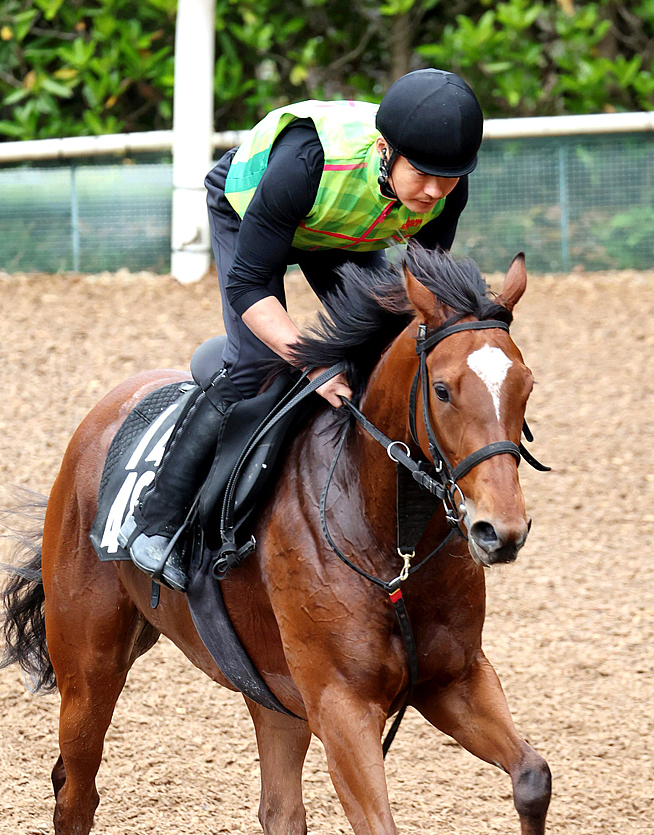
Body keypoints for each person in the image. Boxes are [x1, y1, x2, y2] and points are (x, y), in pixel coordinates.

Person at [119, 68, 484, 590]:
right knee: (260, 364)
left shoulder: (450, 184)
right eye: (421, 174)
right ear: (385, 149)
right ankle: (156, 524)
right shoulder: (306, 160)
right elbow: (247, 285)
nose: (432, 192)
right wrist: (311, 362)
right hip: (251, 213)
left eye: (445, 178)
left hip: (337, 235)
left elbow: (419, 289)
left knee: (383, 353)